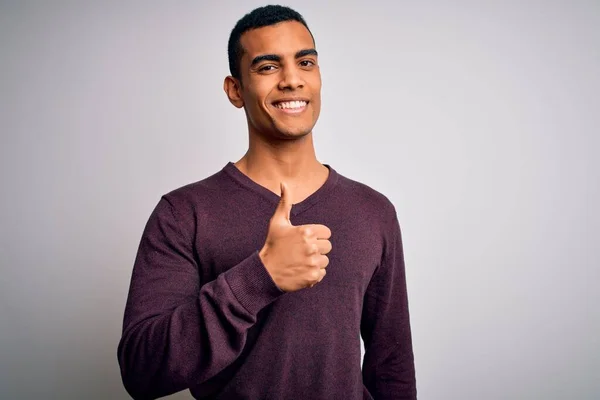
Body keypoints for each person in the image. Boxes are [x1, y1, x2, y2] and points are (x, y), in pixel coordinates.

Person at [117, 5, 416, 399]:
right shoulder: (182, 214)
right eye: (267, 67)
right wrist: (259, 277)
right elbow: (141, 372)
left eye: (305, 62)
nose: (292, 80)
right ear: (235, 90)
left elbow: (391, 367)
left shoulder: (373, 211)